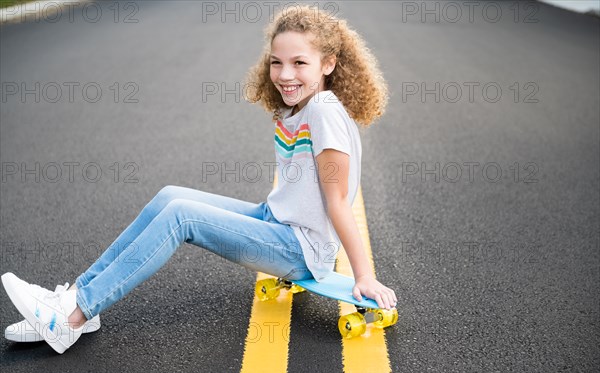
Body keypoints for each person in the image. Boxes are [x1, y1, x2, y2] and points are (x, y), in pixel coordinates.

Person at [1, 5, 397, 354]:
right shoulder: (301, 107)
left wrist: (363, 276)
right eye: (276, 62)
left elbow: (338, 201)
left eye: (299, 63)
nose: (284, 74)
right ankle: (78, 298)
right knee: (169, 196)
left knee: (182, 216)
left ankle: (70, 317)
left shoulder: (324, 112)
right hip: (275, 221)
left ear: (327, 64)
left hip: (300, 249)